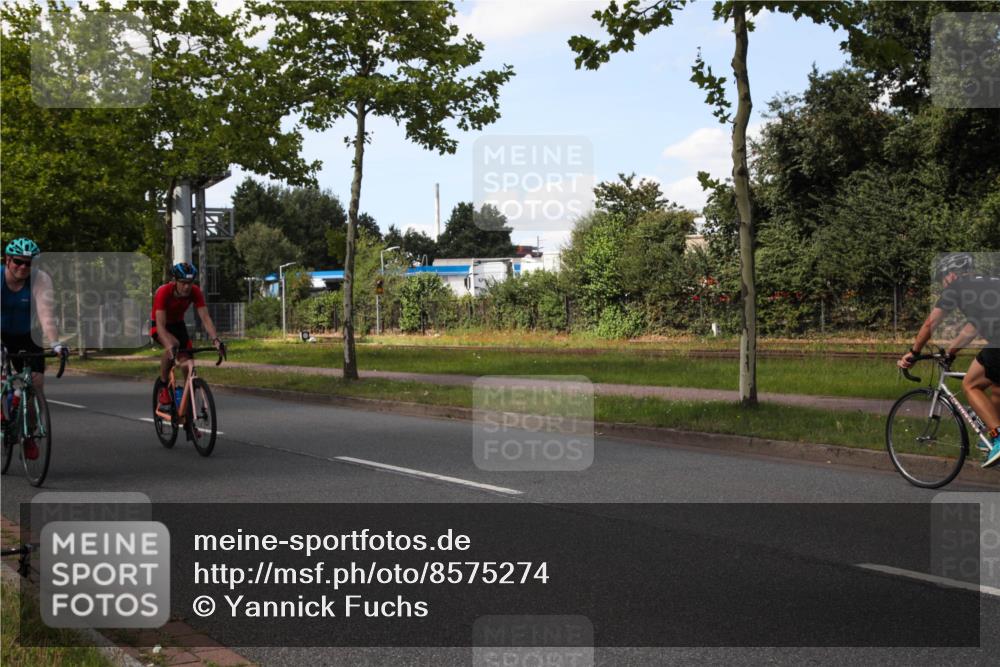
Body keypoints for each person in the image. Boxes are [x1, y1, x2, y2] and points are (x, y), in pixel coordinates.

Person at [898, 252, 1000, 467]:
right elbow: (972, 328)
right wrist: (951, 353)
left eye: (942, 279)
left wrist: (914, 353)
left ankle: (998, 437)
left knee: (971, 384)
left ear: (951, 275)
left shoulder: (956, 288)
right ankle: (993, 435)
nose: (942, 284)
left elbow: (930, 325)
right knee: (996, 387)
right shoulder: (989, 283)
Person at [1, 238, 68, 460]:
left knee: (36, 382)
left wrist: (56, 343)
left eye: (29, 263)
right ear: (7, 260)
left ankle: (28, 435)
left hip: (27, 334)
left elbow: (45, 313)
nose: (23, 267)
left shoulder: (40, 279)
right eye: (18, 262)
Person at [151, 262, 224, 407]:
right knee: (173, 345)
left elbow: (205, 317)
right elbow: (160, 326)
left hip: (178, 325)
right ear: (175, 281)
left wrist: (216, 340)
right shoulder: (164, 292)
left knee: (188, 364)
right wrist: (169, 347)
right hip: (160, 325)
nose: (187, 287)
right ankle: (164, 385)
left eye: (190, 283)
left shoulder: (195, 292)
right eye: (183, 283)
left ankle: (187, 411)